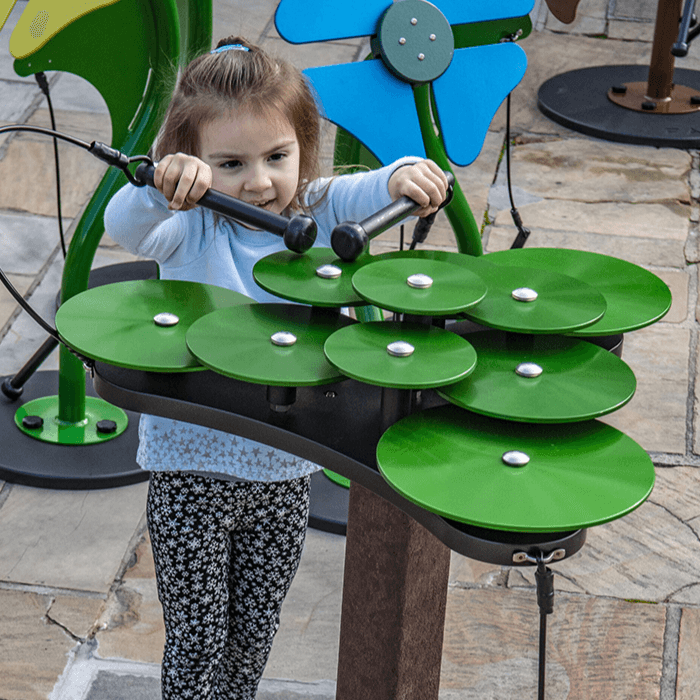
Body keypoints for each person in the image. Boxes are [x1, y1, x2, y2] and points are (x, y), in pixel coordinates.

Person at [105, 35, 448, 700]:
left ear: (302, 148)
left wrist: (408, 173)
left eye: (276, 157)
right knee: (198, 638)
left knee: (255, 632)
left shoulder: (313, 211)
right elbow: (129, 226)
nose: (258, 181)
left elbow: (372, 185)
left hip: (283, 476)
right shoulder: (194, 227)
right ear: (196, 163)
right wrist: (159, 184)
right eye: (229, 163)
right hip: (191, 474)